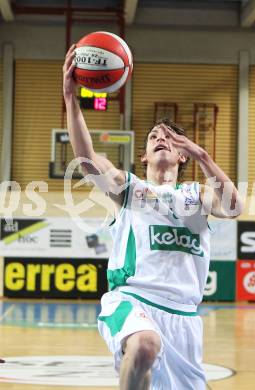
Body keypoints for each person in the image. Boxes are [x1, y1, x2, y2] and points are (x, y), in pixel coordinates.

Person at [63, 44, 244, 390]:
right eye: (153, 137)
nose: (161, 137)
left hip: (185, 318)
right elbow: (87, 161)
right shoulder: (128, 189)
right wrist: (72, 99)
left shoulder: (197, 197)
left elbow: (234, 207)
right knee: (145, 345)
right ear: (144, 157)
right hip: (133, 300)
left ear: (182, 155)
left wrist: (203, 155)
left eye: (170, 138)